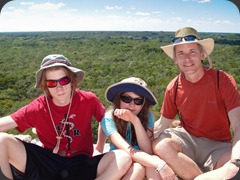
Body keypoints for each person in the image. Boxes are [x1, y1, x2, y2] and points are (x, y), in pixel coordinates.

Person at [0, 54, 131, 180]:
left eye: (64, 80)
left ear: (72, 81)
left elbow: (106, 122)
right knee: (1, 140)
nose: (59, 88)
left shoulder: (88, 100)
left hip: (81, 164)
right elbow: (6, 123)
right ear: (46, 86)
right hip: (48, 162)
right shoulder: (39, 107)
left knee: (123, 157)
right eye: (52, 83)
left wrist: (99, 147)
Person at [152, 27, 240, 180]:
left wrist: (236, 161)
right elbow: (163, 124)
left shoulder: (222, 81)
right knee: (161, 144)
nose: (187, 58)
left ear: (202, 54)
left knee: (233, 164)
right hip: (187, 139)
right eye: (181, 53)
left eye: (192, 51)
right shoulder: (174, 87)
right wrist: (132, 140)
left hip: (218, 145)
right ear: (175, 59)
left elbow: (238, 124)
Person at [100, 77, 177, 180]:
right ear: (119, 99)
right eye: (127, 98)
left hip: (142, 160)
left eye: (138, 101)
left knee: (145, 167)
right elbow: (127, 150)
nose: (132, 104)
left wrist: (135, 121)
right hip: (119, 161)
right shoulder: (109, 118)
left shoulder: (147, 116)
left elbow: (147, 150)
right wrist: (160, 164)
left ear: (143, 104)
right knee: (142, 167)